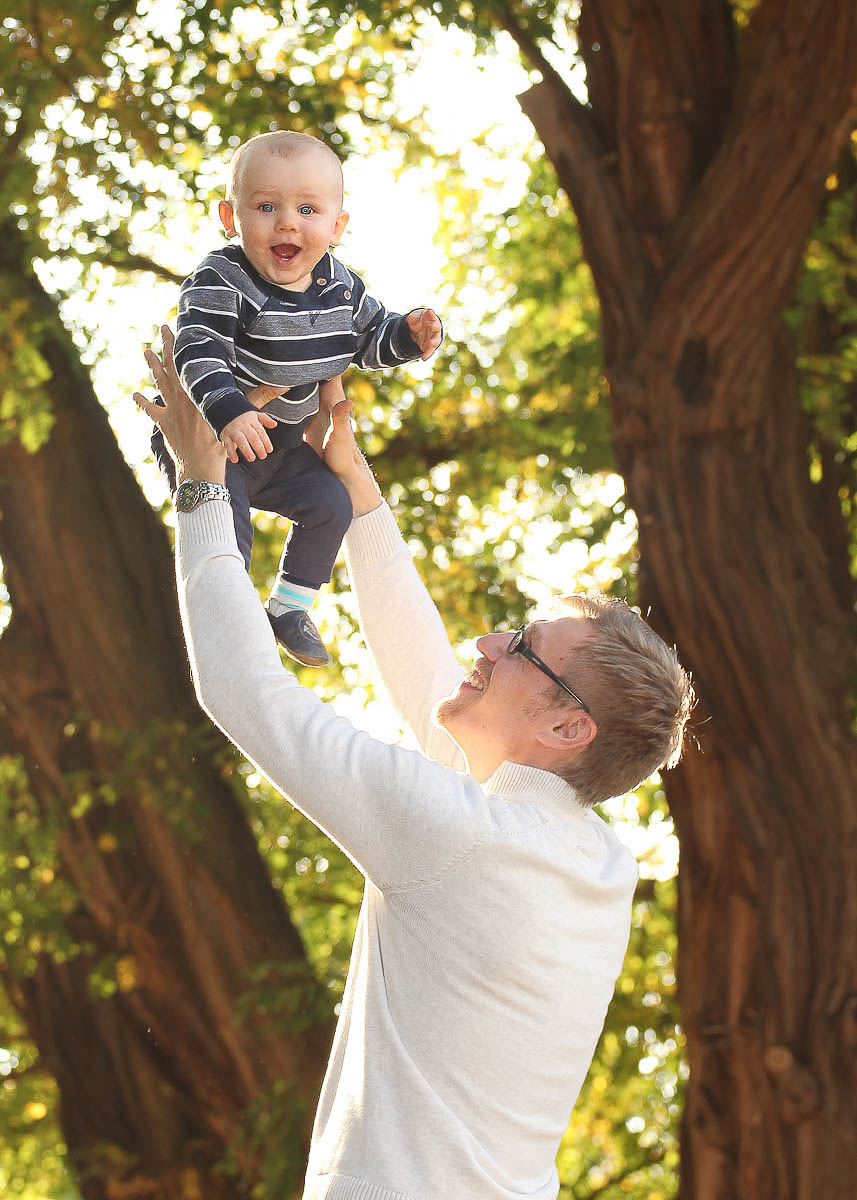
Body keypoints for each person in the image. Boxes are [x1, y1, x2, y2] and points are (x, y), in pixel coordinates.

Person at [135, 331, 694, 1200]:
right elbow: (428, 679)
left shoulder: (464, 839)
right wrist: (353, 486)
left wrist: (204, 487)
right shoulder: (591, 860)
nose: (486, 641)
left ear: (568, 728)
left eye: (519, 650)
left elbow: (247, 694)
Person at [154, 129, 443, 666]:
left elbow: (367, 340)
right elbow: (197, 349)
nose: (287, 222)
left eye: (308, 209)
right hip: (216, 436)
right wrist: (229, 411)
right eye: (265, 206)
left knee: (330, 504)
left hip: (283, 444)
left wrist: (408, 335)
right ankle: (229, 615)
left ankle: (289, 608)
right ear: (229, 217)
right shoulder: (222, 279)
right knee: (226, 522)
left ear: (337, 228)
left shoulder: (342, 289)